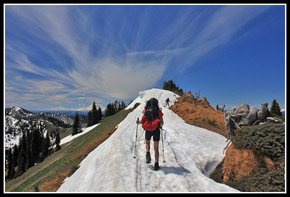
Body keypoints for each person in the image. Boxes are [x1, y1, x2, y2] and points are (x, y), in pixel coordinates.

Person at [136, 98, 164, 170]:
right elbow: (162, 122)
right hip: (156, 130)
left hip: (148, 129)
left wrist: (138, 122)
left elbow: (143, 120)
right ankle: (156, 163)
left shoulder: (146, 109)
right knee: (156, 148)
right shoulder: (158, 110)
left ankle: (148, 153)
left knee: (147, 142)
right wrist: (160, 125)